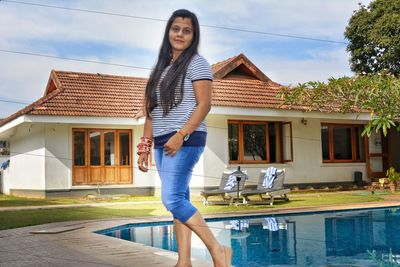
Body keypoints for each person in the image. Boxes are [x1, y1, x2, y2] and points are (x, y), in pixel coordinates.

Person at [137, 9, 232, 267]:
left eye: (186, 30)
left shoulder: (197, 63)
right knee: (180, 200)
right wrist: (145, 146)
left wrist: (181, 134)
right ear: (168, 31)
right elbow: (150, 112)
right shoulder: (160, 69)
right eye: (176, 28)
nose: (180, 34)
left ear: (193, 35)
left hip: (185, 139)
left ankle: (217, 250)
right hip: (161, 142)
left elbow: (204, 104)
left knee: (172, 200)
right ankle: (184, 261)